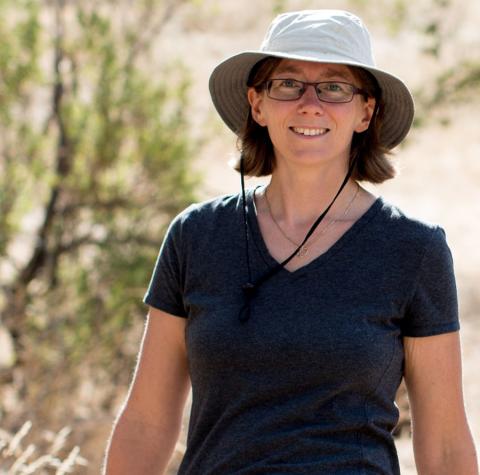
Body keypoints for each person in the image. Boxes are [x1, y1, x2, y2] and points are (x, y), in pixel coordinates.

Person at [104, 9, 478, 475]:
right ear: (257, 105)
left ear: (366, 112)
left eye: (335, 87)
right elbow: (146, 422)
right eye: (287, 83)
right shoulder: (197, 236)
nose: (310, 103)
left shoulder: (412, 250)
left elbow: (444, 445)